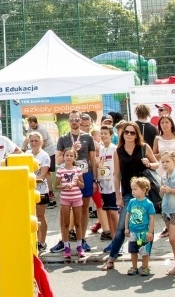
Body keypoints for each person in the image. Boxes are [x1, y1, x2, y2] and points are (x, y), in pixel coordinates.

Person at [100, 122, 158, 270]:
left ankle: (145, 260)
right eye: (127, 132)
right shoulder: (118, 151)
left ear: (137, 134)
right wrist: (118, 196)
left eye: (133, 133)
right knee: (121, 227)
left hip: (146, 193)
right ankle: (112, 258)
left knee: (146, 227)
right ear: (122, 134)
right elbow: (117, 175)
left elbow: (157, 164)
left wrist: (149, 164)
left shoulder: (144, 147)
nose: (130, 135)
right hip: (128, 193)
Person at [54, 110, 97, 253]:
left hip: (84, 175)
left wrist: (95, 179)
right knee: (64, 211)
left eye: (77, 120)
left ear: (80, 121)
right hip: (68, 178)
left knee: (84, 208)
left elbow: (93, 159)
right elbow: (58, 160)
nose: (74, 122)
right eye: (71, 120)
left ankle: (82, 239)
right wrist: (72, 150)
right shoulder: (63, 138)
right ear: (68, 121)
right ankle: (64, 240)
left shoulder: (88, 138)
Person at [56, 147, 86, 261]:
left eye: (71, 156)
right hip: (65, 199)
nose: (68, 157)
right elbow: (56, 186)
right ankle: (66, 247)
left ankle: (79, 246)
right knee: (66, 223)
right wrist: (65, 186)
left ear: (74, 158)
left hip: (77, 198)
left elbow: (82, 185)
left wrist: (77, 182)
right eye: (66, 155)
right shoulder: (60, 170)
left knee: (78, 223)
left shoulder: (78, 170)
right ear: (63, 157)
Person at [124, 177, 156, 277]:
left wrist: (150, 232)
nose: (133, 191)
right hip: (133, 232)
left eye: (135, 189)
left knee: (143, 250)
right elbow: (128, 215)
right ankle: (134, 267)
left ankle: (145, 267)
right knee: (133, 250)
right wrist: (126, 228)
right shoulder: (132, 202)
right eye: (132, 189)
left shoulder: (148, 204)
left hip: (142, 233)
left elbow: (152, 219)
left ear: (144, 190)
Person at [96, 125, 119, 254]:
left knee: (114, 213)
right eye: (102, 133)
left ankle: (118, 242)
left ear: (111, 135)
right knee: (108, 213)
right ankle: (113, 239)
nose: (104, 135)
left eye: (106, 133)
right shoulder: (101, 149)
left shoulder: (114, 149)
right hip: (103, 185)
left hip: (113, 185)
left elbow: (117, 168)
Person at [28, 131, 51, 252]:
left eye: (36, 141)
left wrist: (31, 181)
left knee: (40, 216)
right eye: (31, 141)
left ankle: (42, 241)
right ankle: (34, 240)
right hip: (28, 191)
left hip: (41, 190)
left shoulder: (44, 155)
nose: (34, 143)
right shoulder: (26, 154)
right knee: (31, 217)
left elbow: (43, 174)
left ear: (41, 142)